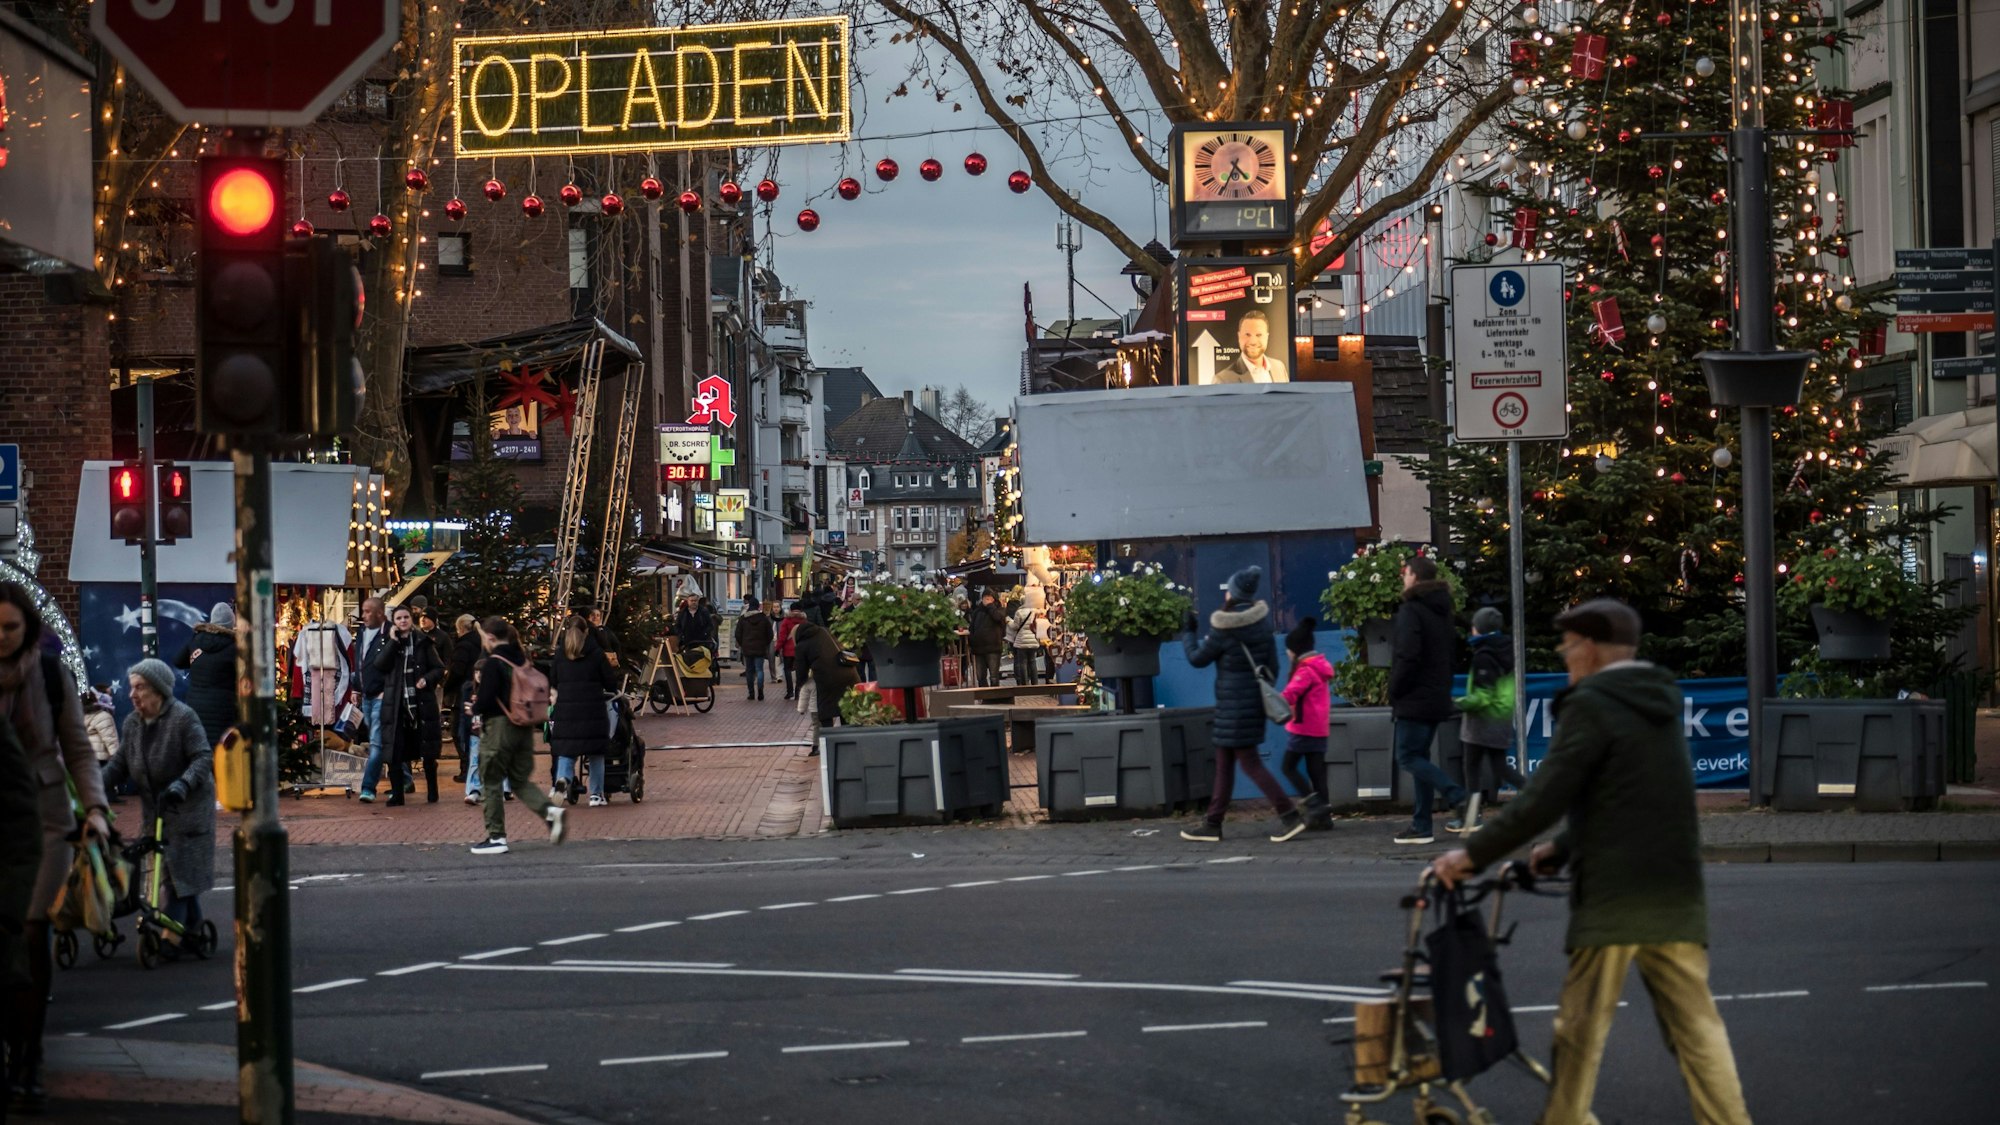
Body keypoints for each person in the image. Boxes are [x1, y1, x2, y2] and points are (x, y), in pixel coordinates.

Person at [1430, 599, 1751, 1125]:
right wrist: (1559, 850)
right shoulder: (1657, 702)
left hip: (1615, 898)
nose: (1564, 655)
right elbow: (1626, 795)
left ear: (1595, 649)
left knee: (1579, 1030)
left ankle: (1565, 1120)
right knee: (1696, 1029)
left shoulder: (1594, 703)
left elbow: (1544, 797)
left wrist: (1471, 856)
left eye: (1571, 644)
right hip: (1674, 889)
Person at [0, 583, 109, 1112]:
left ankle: (29, 1057)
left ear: (28, 630)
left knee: (30, 929)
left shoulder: (49, 675)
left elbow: (79, 750)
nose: (1, 638)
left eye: (10, 629)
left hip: (45, 822)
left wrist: (96, 811)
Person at [1178, 566, 1306, 843]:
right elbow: (1271, 667)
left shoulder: (1224, 628)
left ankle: (1289, 815)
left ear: (1233, 593)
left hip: (1232, 708)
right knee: (1225, 763)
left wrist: (1188, 632)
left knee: (1250, 763)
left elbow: (1198, 659)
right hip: (1252, 706)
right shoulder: (1262, 627)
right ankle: (1213, 822)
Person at [105, 658, 215, 956]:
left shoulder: (183, 718)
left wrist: (183, 785)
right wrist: (94, 787)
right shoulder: (132, 723)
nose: (132, 695)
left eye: (140, 688)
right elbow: (119, 764)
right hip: (156, 811)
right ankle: (193, 928)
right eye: (132, 688)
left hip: (188, 807)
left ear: (159, 691)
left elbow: (203, 758)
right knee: (175, 872)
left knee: (176, 871)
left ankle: (170, 938)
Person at [1388, 555, 1470, 845]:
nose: (1403, 578)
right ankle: (1421, 825)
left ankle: (1458, 797)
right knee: (1419, 757)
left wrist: (1394, 688)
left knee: (1407, 756)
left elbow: (1407, 655)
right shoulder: (1442, 609)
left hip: (1414, 695)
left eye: (1405, 572)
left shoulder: (1411, 610)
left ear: (1415, 576)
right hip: (1437, 694)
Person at [469, 616, 566, 855]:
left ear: (491, 638)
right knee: (520, 780)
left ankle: (496, 837)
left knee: (490, 779)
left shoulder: (494, 662)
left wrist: (475, 707)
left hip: (500, 728)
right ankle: (550, 812)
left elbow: (487, 697)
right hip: (524, 726)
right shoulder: (521, 658)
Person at [1456, 605, 1524, 831]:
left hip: (1480, 722)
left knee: (1472, 768)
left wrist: (1460, 703)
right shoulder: (1504, 650)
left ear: (1480, 630)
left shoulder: (1484, 655)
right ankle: (1537, 795)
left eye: (1474, 626)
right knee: (1500, 766)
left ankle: (1472, 817)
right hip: (1500, 720)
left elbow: (1483, 695)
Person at [371, 605, 444, 806]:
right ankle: (397, 794)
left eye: (406, 617)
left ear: (411, 619)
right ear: (393, 621)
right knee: (394, 751)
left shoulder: (423, 641)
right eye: (399, 618)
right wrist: (393, 643)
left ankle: (432, 791)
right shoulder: (389, 641)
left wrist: (427, 680)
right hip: (397, 705)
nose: (403, 621)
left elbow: (439, 668)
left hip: (420, 704)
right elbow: (380, 665)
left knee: (427, 750)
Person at [550, 614, 618, 807]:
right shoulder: (595, 653)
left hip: (566, 711)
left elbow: (553, 679)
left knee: (566, 751)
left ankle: (562, 782)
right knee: (596, 753)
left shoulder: (561, 653)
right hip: (592, 710)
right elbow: (609, 680)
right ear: (587, 631)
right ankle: (596, 795)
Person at [350, 597, 409, 803]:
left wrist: (387, 689)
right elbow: (360, 660)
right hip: (367, 694)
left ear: (379, 613)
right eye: (363, 611)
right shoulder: (362, 632)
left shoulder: (389, 632)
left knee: (376, 742)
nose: (363, 615)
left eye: (367, 611)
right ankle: (404, 778)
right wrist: (357, 686)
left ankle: (368, 787)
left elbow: (391, 663)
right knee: (383, 741)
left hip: (382, 696)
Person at [1278, 617, 1335, 831]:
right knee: (1316, 771)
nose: (1287, 653)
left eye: (1289, 650)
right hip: (1319, 728)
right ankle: (1325, 818)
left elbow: (1290, 695)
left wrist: (1271, 700)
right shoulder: (1320, 667)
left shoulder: (1304, 671)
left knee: (1288, 767)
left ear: (1296, 650)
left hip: (1303, 729)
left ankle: (1313, 805)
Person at [171, 601, 237, 749]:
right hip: (223, 710)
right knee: (221, 754)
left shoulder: (196, 640)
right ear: (231, 623)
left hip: (196, 707)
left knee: (200, 750)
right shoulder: (234, 647)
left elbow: (178, 661)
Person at [791, 613, 858, 739]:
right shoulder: (823, 631)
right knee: (846, 710)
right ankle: (848, 740)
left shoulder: (801, 646)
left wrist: (800, 685)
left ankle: (828, 742)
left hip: (828, 679)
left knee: (826, 711)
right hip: (849, 673)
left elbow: (801, 671)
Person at [443, 614, 483, 783]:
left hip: (461, 694)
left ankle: (466, 768)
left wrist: (446, 684)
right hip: (476, 691)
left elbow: (457, 671)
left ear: (460, 628)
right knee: (472, 731)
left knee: (459, 732)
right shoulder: (480, 643)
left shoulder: (462, 646)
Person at [1215, 309, 1288, 383]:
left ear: (1267, 337)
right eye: (1247, 335)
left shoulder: (1279, 367)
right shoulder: (1222, 379)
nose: (1253, 342)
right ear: (1239, 336)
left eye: (1259, 335)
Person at [734, 602, 775, 701]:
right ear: (758, 607)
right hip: (760, 648)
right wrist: (765, 643)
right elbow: (770, 634)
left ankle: (751, 693)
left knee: (749, 670)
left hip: (747, 648)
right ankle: (760, 692)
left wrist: (743, 644)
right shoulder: (764, 618)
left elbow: (738, 634)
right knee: (759, 670)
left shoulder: (743, 619)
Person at [966, 591, 1007, 687]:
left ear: (994, 598)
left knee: (994, 675)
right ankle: (984, 697)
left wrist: (990, 606)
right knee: (980, 676)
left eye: (989, 597)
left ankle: (994, 698)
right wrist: (973, 640)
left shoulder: (1000, 610)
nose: (986, 599)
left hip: (993, 647)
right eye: (985, 597)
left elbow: (997, 618)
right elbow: (972, 628)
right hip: (978, 648)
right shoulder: (977, 611)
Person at [1005, 598, 1041, 686]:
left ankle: (1025, 684)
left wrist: (1008, 621)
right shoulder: (1036, 612)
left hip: (1022, 641)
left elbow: (1015, 626)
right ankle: (1035, 683)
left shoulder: (1019, 612)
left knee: (1023, 663)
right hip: (1033, 640)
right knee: (1032, 661)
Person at [776, 603, 805, 700]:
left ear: (791, 610)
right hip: (800, 650)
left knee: (787, 670)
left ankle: (789, 692)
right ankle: (798, 692)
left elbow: (782, 636)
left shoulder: (786, 620)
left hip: (788, 651)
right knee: (799, 671)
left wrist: (777, 648)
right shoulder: (804, 621)